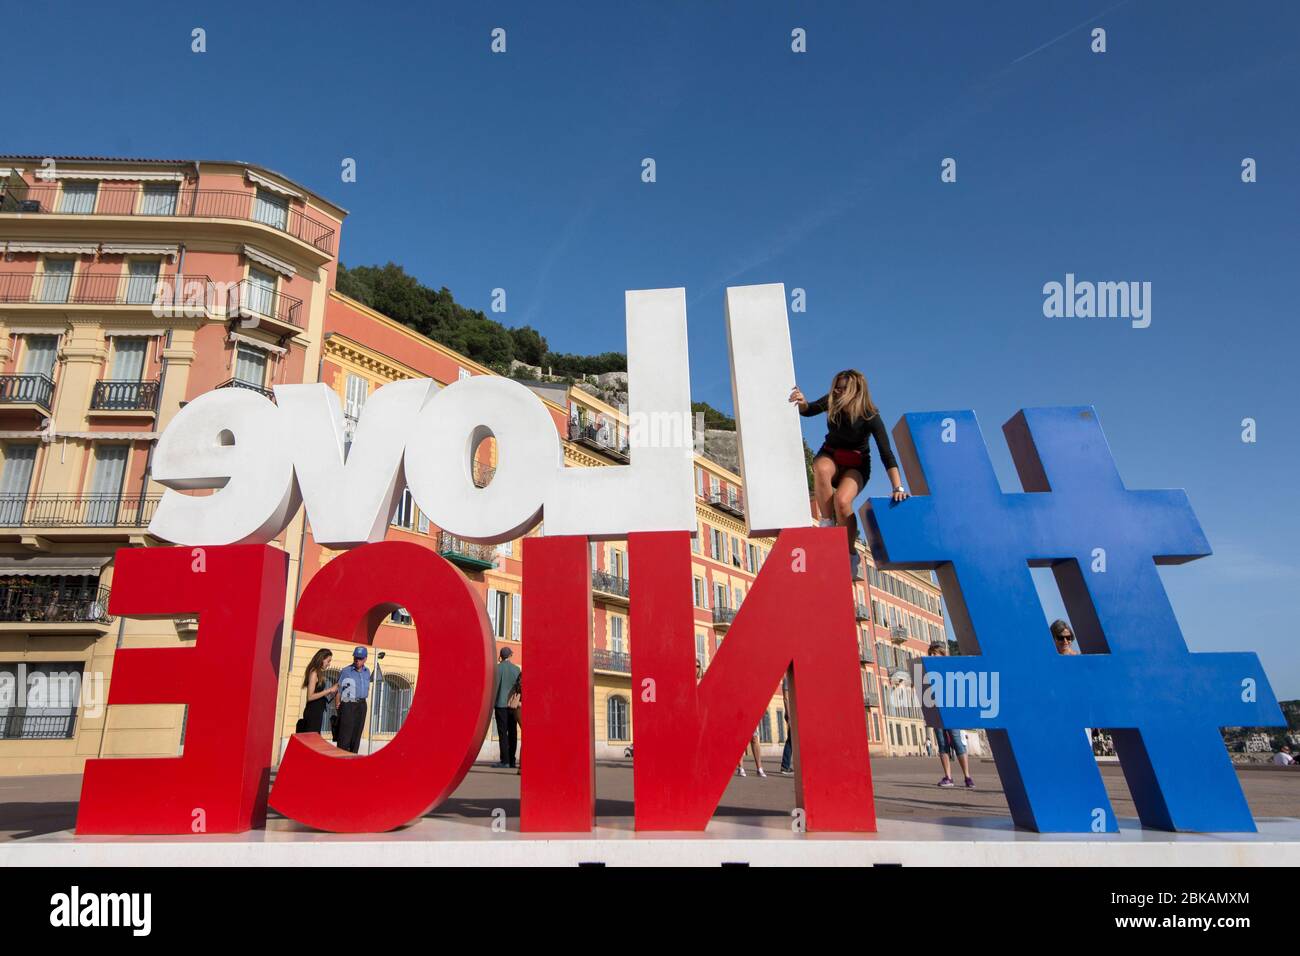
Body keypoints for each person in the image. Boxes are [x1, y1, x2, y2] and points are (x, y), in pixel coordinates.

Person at [790, 370, 908, 579]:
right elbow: (808, 411)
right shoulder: (831, 401)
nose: (837, 391)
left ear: (855, 391)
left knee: (842, 501)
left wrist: (897, 487)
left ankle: (850, 554)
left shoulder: (870, 416)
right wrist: (802, 402)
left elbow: (886, 453)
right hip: (832, 455)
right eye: (836, 386)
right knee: (821, 468)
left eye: (842, 388)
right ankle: (826, 523)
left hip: (856, 465)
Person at [927, 641, 974, 788]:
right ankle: (948, 777)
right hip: (935, 710)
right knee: (942, 744)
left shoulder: (952, 669)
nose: (932, 656)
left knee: (957, 741)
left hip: (952, 710)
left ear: (942, 654)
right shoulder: (927, 672)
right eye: (931, 654)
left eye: (935, 654)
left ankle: (967, 777)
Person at [335, 646, 372, 754]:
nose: (357, 660)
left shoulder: (367, 672)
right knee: (345, 735)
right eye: (355, 658)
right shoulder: (346, 671)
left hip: (361, 705)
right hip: (348, 704)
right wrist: (338, 703)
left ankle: (353, 757)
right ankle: (340, 758)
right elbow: (338, 689)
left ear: (365, 659)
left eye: (360, 658)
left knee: (357, 734)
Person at [491, 647, 521, 769]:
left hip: (500, 705)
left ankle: (505, 760)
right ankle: (513, 761)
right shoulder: (516, 669)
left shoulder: (497, 669)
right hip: (512, 705)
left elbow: (494, 687)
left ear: (501, 656)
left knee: (503, 734)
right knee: (513, 732)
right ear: (510, 656)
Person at [297, 648, 337, 734]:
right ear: (322, 659)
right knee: (311, 739)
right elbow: (310, 697)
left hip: (317, 713)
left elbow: (318, 694)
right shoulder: (314, 673)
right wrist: (329, 690)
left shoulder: (318, 673)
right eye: (328, 661)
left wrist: (332, 691)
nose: (329, 664)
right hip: (312, 714)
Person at [780, 673, 793, 776]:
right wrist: (789, 716)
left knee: (792, 740)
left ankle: (785, 765)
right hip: (792, 714)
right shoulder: (787, 679)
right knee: (791, 740)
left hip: (796, 713)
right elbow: (786, 698)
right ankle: (785, 766)